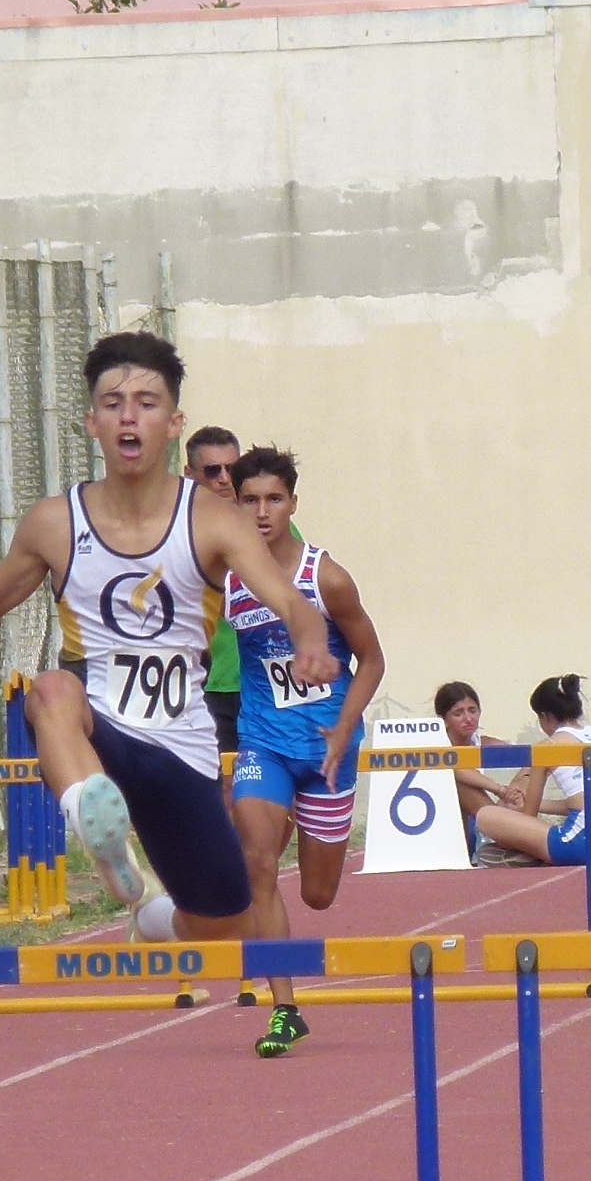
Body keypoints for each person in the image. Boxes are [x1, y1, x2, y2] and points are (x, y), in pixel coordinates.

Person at [0, 333, 335, 948]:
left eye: (146, 403)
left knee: (226, 928)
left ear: (173, 423)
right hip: (95, 729)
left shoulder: (212, 520)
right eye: (112, 403)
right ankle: (94, 821)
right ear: (91, 422)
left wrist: (310, 644)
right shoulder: (56, 522)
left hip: (181, 749)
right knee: (51, 690)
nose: (128, 417)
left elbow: (291, 600)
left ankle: (152, 918)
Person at [223, 449, 387, 1057]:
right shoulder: (228, 577)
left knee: (318, 894)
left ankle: (295, 813)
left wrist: (344, 730)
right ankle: (285, 1009)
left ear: (293, 503)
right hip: (263, 743)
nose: (262, 512)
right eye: (250, 500)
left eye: (274, 499)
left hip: (325, 753)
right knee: (258, 865)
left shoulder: (328, 578)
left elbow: (373, 659)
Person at [470, 676, 591, 868]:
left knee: (486, 815)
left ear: (545, 716)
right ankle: (539, 853)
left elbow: (528, 816)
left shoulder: (548, 747)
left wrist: (521, 806)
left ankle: (533, 854)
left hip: (581, 845)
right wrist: (537, 804)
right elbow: (585, 802)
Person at [185, 427, 246, 754]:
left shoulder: (268, 522)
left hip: (262, 685)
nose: (224, 479)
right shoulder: (174, 530)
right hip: (204, 683)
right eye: (212, 471)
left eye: (231, 469)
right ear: (189, 475)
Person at [436, 682, 515, 856]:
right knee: (458, 781)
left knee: (526, 775)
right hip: (447, 822)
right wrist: (498, 789)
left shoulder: (485, 743)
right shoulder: (437, 745)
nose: (468, 718)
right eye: (458, 713)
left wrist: (513, 791)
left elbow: (523, 756)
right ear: (444, 720)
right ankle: (502, 836)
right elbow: (455, 767)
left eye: (473, 711)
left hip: (480, 817)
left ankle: (508, 833)